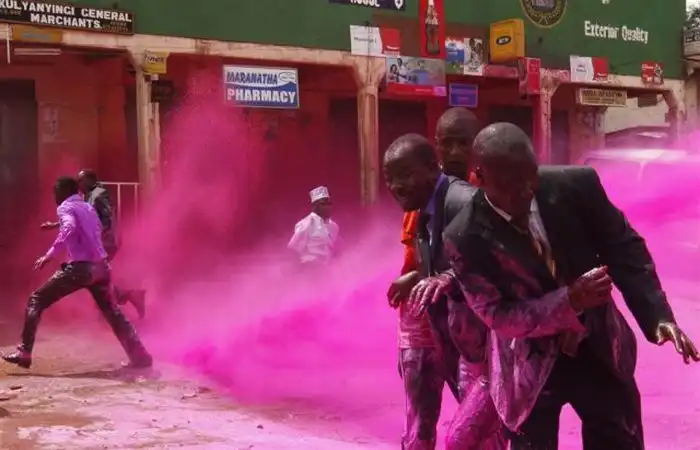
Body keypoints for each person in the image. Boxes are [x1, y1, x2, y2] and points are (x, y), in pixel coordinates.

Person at [437, 123, 700, 449]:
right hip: (528, 366)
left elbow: (623, 246)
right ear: (479, 176)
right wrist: (569, 302)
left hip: (597, 349)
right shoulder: (464, 237)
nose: (526, 190)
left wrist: (658, 315)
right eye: (511, 182)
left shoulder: (577, 185)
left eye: (530, 176)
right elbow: (498, 316)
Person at [384, 133, 504, 450]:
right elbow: (449, 259)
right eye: (389, 179)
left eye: (404, 175)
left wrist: (448, 278)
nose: (395, 186)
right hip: (459, 343)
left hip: (490, 348)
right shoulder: (423, 210)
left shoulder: (462, 200)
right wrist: (417, 277)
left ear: (430, 168)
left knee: (470, 438)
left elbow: (501, 257)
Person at [2, 177, 152, 370]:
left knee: (36, 300)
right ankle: (140, 356)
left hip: (80, 268)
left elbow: (70, 227)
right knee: (114, 314)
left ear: (64, 191)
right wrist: (56, 225)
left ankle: (24, 352)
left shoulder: (65, 207)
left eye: (56, 192)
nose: (54, 196)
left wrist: (49, 255)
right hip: (101, 268)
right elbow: (88, 226)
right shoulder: (87, 207)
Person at [78, 170, 146, 318]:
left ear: (90, 180)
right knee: (94, 275)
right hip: (102, 241)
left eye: (81, 180)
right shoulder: (91, 195)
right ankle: (121, 300)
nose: (79, 183)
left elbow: (106, 220)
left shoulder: (98, 194)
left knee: (93, 274)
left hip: (105, 241)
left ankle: (123, 298)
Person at [287, 186, 340, 268]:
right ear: (315, 206)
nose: (327, 207)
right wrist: (305, 263)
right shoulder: (306, 224)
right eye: (323, 204)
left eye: (329, 204)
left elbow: (334, 249)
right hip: (310, 269)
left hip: (327, 270)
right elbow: (292, 248)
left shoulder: (333, 226)